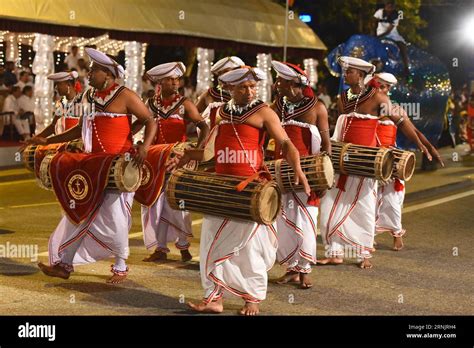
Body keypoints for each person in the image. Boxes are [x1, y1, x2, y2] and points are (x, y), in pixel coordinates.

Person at [168, 66, 310, 315]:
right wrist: (187, 155)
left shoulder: (264, 112)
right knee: (211, 242)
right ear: (230, 88)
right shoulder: (222, 113)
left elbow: (286, 143)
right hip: (221, 188)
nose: (249, 91)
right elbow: (211, 153)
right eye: (243, 87)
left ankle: (252, 299)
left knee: (250, 247)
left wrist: (297, 168)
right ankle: (214, 298)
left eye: (253, 86)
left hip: (250, 189)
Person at [29, 48, 157, 284]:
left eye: (93, 70)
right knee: (79, 211)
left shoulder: (125, 95)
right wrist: (47, 140)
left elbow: (150, 120)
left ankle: (120, 265)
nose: (88, 74)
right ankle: (65, 264)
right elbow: (79, 129)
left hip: (118, 166)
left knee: (114, 216)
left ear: (107, 74)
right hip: (93, 165)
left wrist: (143, 146)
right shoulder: (89, 97)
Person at [318, 56, 431, 269]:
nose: (345, 74)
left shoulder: (379, 98)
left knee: (363, 207)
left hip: (364, 162)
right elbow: (342, 127)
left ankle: (363, 254)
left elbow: (403, 121)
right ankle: (335, 252)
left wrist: (421, 143)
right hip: (341, 160)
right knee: (329, 205)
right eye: (345, 71)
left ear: (360, 75)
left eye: (349, 71)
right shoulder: (342, 98)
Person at [135, 61, 209, 262]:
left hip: (177, 160)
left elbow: (204, 127)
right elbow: (135, 127)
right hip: (154, 161)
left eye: (177, 79)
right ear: (160, 82)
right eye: (170, 80)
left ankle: (184, 246)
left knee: (178, 202)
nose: (175, 83)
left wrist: (196, 149)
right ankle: (159, 249)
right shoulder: (149, 104)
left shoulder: (184, 104)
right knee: (153, 203)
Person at [269, 60, 331, 289]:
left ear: (295, 84)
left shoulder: (318, 108)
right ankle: (291, 268)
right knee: (283, 220)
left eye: (281, 81)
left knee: (306, 220)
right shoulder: (277, 105)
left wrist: (325, 176)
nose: (277, 84)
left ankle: (305, 269)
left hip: (308, 174)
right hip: (281, 171)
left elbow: (326, 144)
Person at [30, 71, 81, 139]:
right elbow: (53, 126)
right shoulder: (62, 103)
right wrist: (36, 138)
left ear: (68, 85)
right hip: (62, 141)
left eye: (59, 84)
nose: (56, 88)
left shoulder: (82, 102)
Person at [374, 1, 409, 77]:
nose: (389, 7)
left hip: (392, 35)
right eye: (388, 5)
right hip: (379, 34)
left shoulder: (397, 14)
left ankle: (406, 67)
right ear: (385, 5)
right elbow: (374, 22)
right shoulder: (379, 12)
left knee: (402, 45)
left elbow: (390, 29)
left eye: (391, 5)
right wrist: (374, 34)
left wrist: (381, 36)